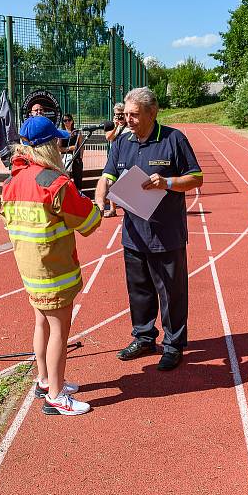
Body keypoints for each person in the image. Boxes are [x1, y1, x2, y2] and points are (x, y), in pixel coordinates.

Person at [94, 87, 203, 371]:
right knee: (139, 291)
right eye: (125, 114)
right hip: (133, 233)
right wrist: (100, 199)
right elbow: (107, 177)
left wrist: (166, 183)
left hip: (167, 234)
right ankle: (143, 338)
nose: (127, 120)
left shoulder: (173, 139)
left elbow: (196, 177)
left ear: (152, 113)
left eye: (133, 115)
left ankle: (174, 345)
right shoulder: (121, 142)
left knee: (171, 292)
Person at [1, 116, 102, 416]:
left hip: (30, 271)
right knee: (60, 330)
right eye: (58, 141)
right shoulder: (55, 183)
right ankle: (56, 397)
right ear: (48, 146)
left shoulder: (11, 182)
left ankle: (45, 380)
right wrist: (90, 202)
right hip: (55, 271)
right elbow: (89, 222)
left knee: (41, 324)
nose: (62, 145)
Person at [102, 102, 129, 217]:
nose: (119, 116)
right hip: (115, 158)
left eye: (121, 114)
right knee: (111, 182)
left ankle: (130, 208)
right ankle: (113, 209)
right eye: (117, 114)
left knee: (127, 182)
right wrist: (116, 125)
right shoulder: (112, 125)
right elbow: (108, 137)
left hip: (127, 157)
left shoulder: (130, 125)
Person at [60, 113, 85, 192]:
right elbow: (59, 148)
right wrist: (69, 148)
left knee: (78, 177)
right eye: (65, 120)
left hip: (76, 157)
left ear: (72, 121)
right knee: (66, 176)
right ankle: (67, 193)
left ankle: (79, 193)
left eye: (69, 120)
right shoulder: (61, 133)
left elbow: (81, 146)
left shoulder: (77, 132)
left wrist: (80, 157)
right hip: (66, 157)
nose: (67, 122)